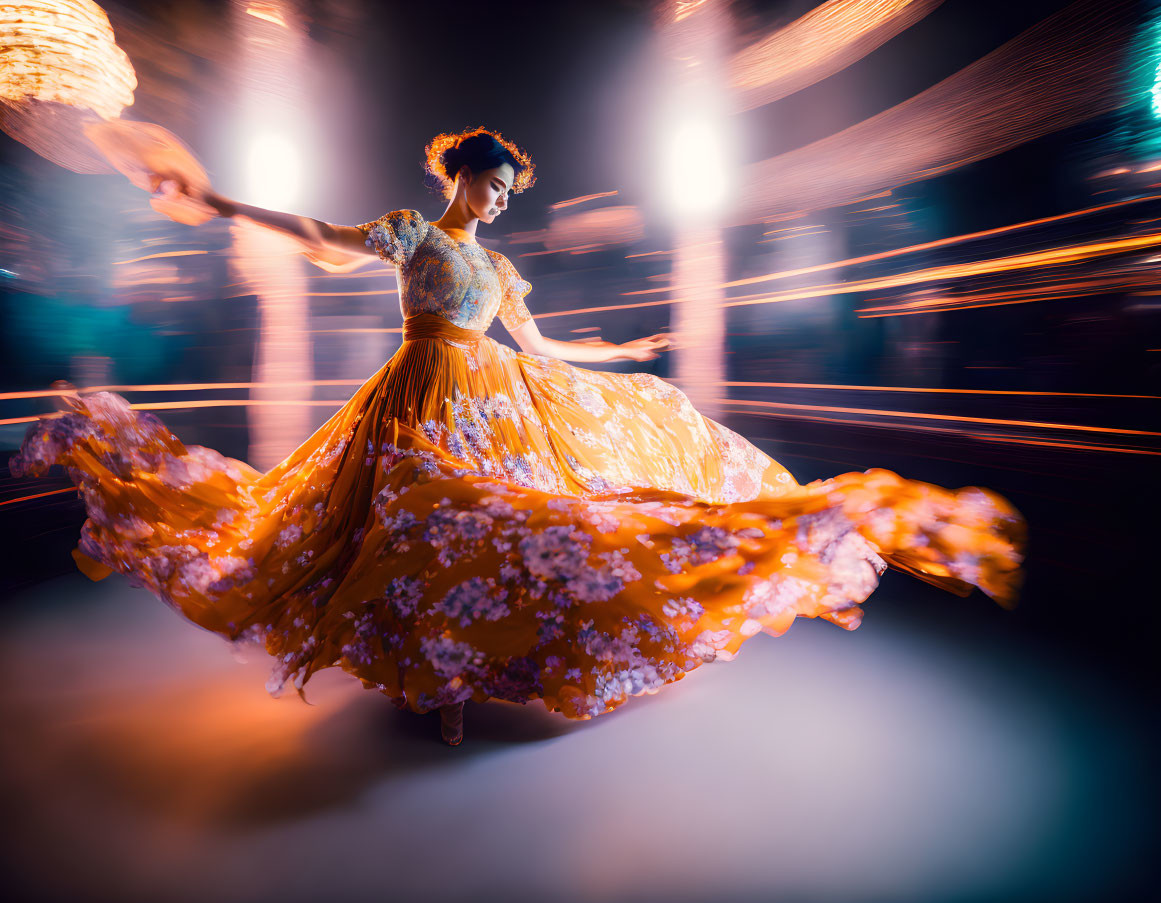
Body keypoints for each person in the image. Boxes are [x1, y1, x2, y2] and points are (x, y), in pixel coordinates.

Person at [11, 126, 1024, 747]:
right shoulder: (413, 232)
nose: (498, 200)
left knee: (504, 532)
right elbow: (321, 237)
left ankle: (472, 667)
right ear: (461, 176)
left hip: (499, 400)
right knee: (410, 534)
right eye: (490, 184)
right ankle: (435, 679)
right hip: (415, 396)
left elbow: (542, 342)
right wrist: (223, 201)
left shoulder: (500, 271)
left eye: (506, 192)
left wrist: (625, 348)